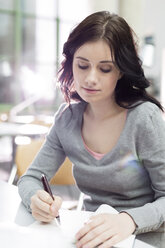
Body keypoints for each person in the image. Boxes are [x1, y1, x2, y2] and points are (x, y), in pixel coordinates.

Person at [18, 11, 165, 248]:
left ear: (121, 71)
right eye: (83, 65)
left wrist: (128, 220)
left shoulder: (144, 119)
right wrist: (36, 199)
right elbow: (31, 179)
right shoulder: (67, 118)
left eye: (105, 69)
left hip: (142, 237)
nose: (90, 78)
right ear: (71, 63)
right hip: (88, 235)